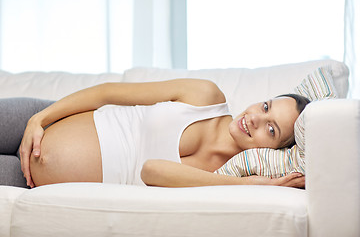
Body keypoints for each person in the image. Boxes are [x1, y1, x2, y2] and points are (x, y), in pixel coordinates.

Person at [17, 79, 308, 188]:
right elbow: (108, 92)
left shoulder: (219, 177)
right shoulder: (206, 96)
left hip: (28, 179)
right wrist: (38, 119)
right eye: (266, 106)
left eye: (271, 129)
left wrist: (254, 184)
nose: (254, 118)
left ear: (275, 151)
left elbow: (151, 171)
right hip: (43, 121)